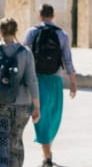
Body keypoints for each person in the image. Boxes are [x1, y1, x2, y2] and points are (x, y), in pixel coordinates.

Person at [23, 4, 77, 167]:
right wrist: (73, 83)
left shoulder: (32, 32)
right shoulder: (62, 35)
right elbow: (67, 60)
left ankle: (47, 154)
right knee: (52, 116)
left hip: (36, 79)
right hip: (55, 80)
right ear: (53, 16)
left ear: (40, 15)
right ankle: (47, 156)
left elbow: (25, 55)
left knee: (41, 117)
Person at [0, 17, 40, 167]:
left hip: (1, 104)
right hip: (22, 105)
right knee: (16, 140)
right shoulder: (25, 52)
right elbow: (32, 80)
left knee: (2, 140)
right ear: (16, 31)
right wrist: (36, 106)